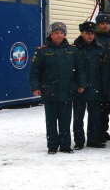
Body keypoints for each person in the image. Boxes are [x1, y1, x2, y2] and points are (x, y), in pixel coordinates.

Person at [30, 22, 81, 154]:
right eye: (56, 33)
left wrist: (81, 84)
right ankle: (52, 146)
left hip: (67, 90)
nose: (59, 35)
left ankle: (65, 145)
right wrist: (35, 87)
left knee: (66, 121)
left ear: (65, 35)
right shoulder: (42, 51)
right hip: (49, 91)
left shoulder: (72, 50)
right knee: (51, 121)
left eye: (61, 33)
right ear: (50, 35)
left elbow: (79, 70)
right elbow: (35, 71)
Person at [73, 21, 105, 149]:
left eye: (92, 33)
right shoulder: (74, 49)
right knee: (78, 117)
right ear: (82, 33)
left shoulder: (100, 49)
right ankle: (79, 141)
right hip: (79, 88)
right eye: (87, 33)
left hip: (96, 87)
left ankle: (93, 139)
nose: (90, 36)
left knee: (95, 116)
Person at [94, 13, 110, 142]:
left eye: (107, 23)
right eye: (102, 23)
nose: (105, 26)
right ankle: (97, 133)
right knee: (98, 109)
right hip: (97, 78)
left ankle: (104, 131)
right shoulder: (94, 39)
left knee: (106, 108)